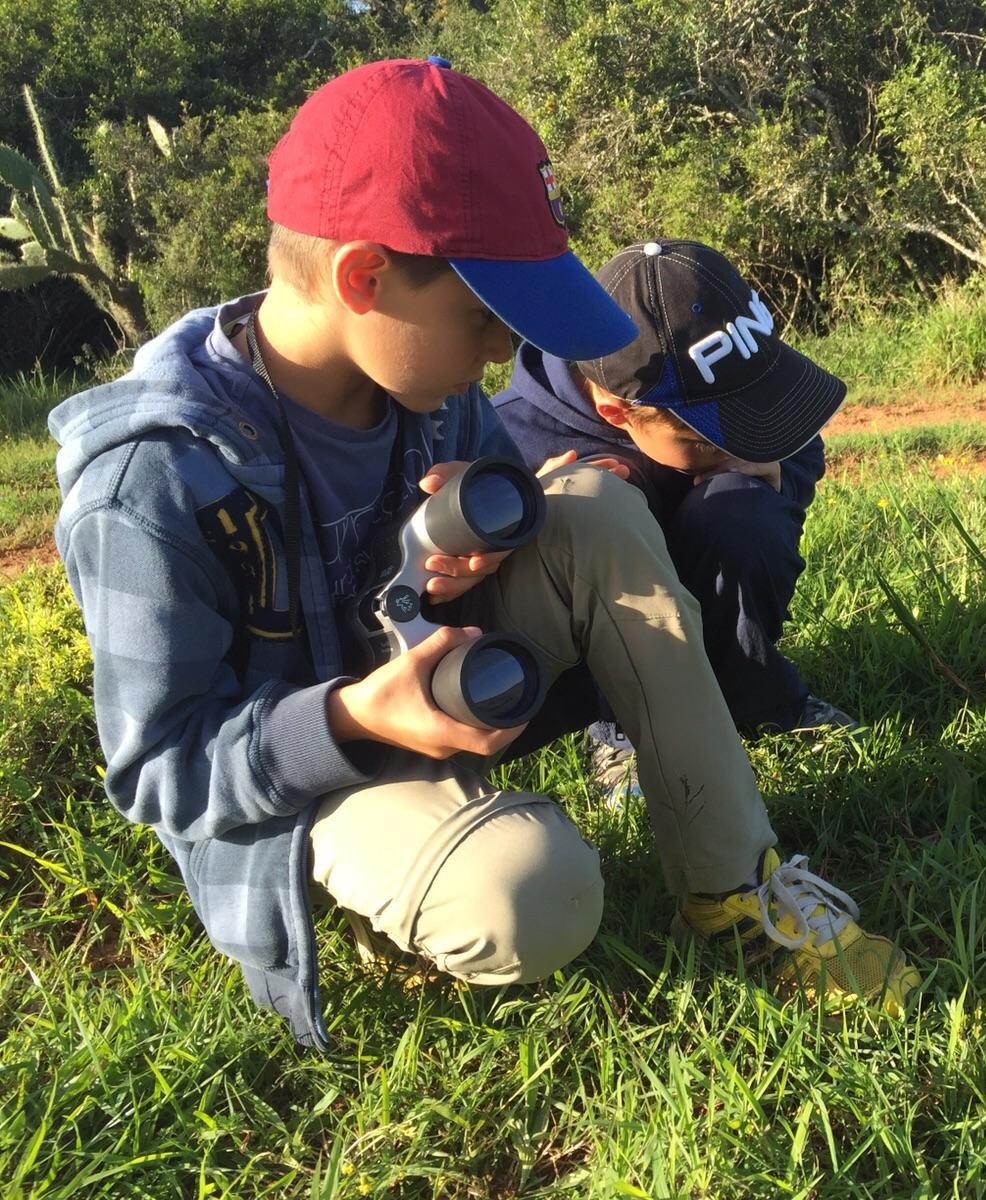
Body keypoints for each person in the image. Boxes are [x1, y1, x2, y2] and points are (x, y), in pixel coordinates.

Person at [48, 57, 919, 1050]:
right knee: (532, 893)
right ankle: (386, 909)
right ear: (362, 278)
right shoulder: (151, 481)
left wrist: (471, 566)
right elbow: (160, 773)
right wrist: (351, 717)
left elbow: (528, 542)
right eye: (484, 320)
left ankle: (735, 890)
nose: (505, 356)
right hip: (300, 785)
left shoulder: (429, 386)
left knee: (591, 508)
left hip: (438, 689)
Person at [490, 239, 855, 799]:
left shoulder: (725, 363)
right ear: (616, 412)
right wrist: (531, 516)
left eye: (752, 414)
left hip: (710, 572)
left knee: (740, 511)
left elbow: (796, 438)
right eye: (713, 437)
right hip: (602, 629)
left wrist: (773, 465)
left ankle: (760, 701)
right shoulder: (509, 440)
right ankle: (620, 731)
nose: (739, 443)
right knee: (584, 514)